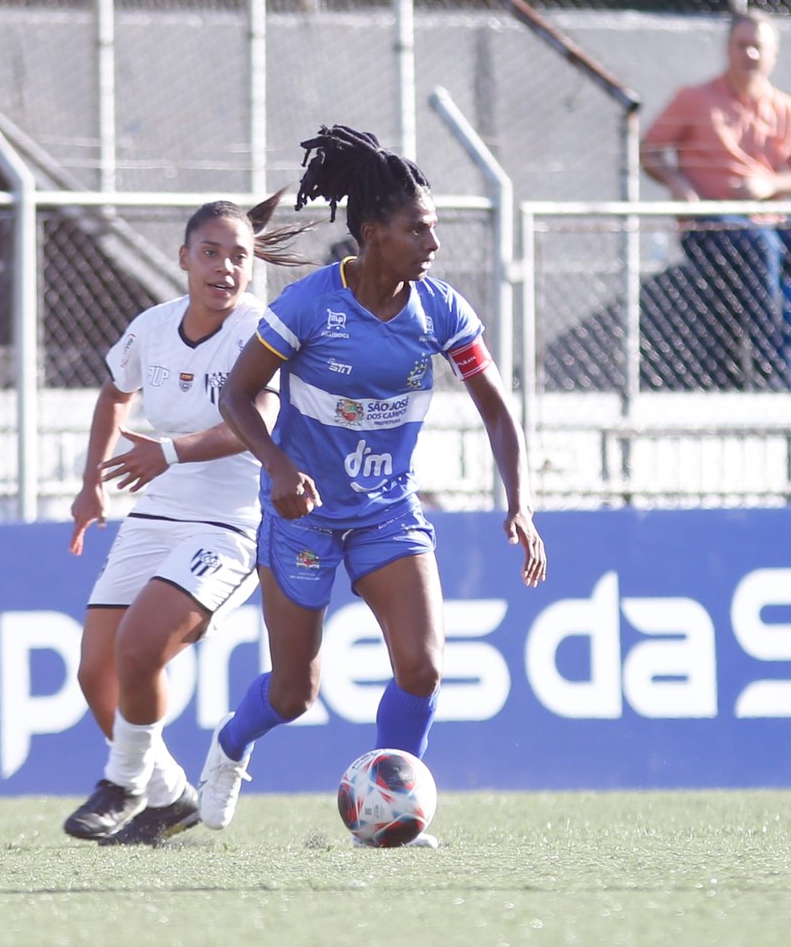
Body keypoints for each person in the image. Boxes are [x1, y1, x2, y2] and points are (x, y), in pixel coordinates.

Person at [197, 124, 547, 847]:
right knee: (295, 693)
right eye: (418, 230)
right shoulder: (307, 308)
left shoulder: (440, 311)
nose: (433, 244)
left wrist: (520, 502)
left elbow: (498, 410)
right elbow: (235, 397)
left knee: (423, 665)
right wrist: (282, 469)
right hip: (303, 519)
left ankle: (392, 806)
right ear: (371, 233)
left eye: (434, 229)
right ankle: (232, 745)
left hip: (387, 512)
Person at [63, 193, 309, 845]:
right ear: (183, 258)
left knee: (139, 650)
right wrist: (92, 485)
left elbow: (255, 416)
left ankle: (123, 782)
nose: (225, 267)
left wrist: (166, 451)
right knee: (96, 672)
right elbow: (116, 393)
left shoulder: (261, 328)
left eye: (240, 256)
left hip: (228, 522)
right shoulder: (151, 327)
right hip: (156, 511)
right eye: (211, 252)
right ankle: (171, 797)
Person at [640, 9, 791, 389]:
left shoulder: (786, 108)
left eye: (759, 47)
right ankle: (769, 373)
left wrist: (769, 185)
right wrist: (676, 182)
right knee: (761, 246)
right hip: (712, 226)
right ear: (728, 49)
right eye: (743, 46)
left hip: (772, 225)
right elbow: (649, 151)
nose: (751, 55)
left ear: (773, 55)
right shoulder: (694, 99)